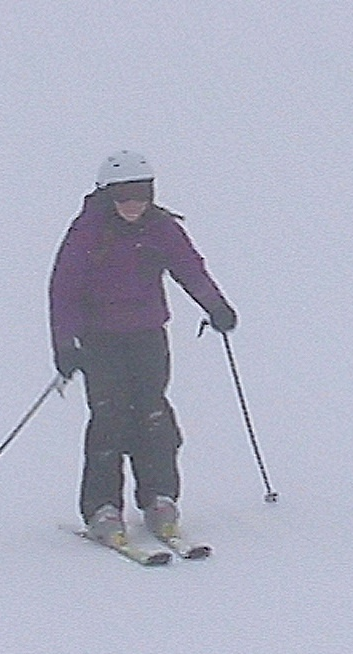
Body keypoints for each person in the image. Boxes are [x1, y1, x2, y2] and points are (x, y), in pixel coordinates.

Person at [48, 150, 237, 546]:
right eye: (124, 195)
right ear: (107, 195)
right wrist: (65, 344)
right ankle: (102, 507)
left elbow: (189, 268)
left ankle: (159, 498)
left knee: (152, 414)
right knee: (110, 416)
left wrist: (216, 306)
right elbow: (64, 290)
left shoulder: (161, 228)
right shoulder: (88, 232)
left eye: (142, 193)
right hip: (100, 340)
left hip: (148, 336)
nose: (134, 204)